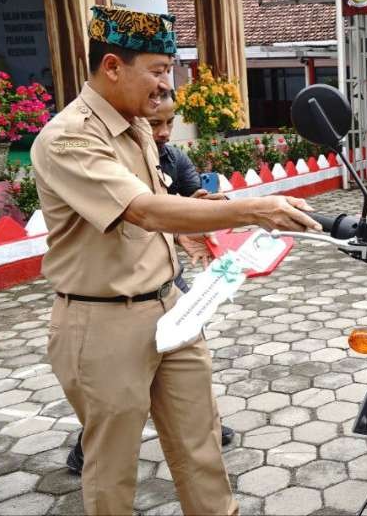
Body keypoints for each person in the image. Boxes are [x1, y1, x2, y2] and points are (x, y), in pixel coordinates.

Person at [31, 5, 320, 515]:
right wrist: (256, 208)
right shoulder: (68, 137)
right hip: (102, 320)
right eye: (159, 70)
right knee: (113, 466)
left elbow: (162, 206)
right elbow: (142, 209)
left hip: (172, 308)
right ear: (113, 66)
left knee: (200, 445)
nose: (168, 85)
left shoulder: (138, 126)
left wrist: (213, 221)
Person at [63, 91, 234, 476]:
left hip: (170, 283)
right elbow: (140, 214)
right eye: (155, 123)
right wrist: (251, 211)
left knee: (193, 359)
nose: (163, 131)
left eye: (169, 123)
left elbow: (193, 203)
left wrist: (205, 208)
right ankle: (85, 449)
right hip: (120, 293)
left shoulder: (174, 158)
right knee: (118, 394)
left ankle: (207, 427)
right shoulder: (99, 157)